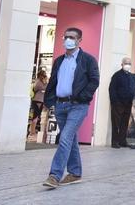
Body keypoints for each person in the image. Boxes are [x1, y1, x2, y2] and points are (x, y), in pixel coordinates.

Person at [42, 27, 100, 188]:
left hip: (78, 106)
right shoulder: (59, 61)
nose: (68, 40)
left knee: (65, 137)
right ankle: (75, 173)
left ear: (79, 40)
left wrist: (83, 97)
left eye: (72, 37)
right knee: (71, 139)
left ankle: (54, 175)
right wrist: (50, 101)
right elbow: (53, 82)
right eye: (66, 37)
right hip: (60, 105)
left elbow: (94, 81)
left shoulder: (88, 60)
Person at [108, 57, 135, 148]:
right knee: (116, 123)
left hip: (128, 103)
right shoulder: (117, 75)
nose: (128, 65)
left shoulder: (132, 76)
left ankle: (122, 141)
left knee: (124, 123)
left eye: (129, 63)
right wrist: (114, 101)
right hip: (118, 103)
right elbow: (112, 89)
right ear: (122, 64)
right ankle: (115, 142)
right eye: (126, 63)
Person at [28, 69, 48, 139]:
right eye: (44, 75)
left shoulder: (40, 82)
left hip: (39, 100)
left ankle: (32, 131)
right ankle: (32, 132)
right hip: (38, 101)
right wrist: (45, 84)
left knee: (36, 117)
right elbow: (38, 88)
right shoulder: (39, 82)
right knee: (35, 117)